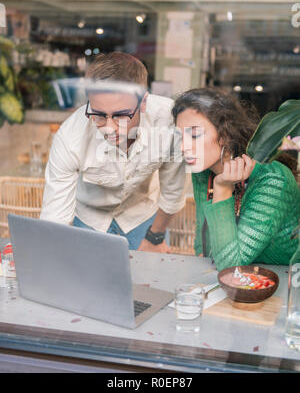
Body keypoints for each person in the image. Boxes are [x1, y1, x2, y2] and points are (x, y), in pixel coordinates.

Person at [40, 52, 190, 252]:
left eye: (120, 115)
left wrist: (156, 237)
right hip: (88, 219)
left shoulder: (170, 122)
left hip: (144, 217)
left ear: (143, 102)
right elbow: (55, 218)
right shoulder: (70, 136)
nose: (109, 128)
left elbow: (173, 193)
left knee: (152, 279)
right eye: (99, 115)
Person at [172, 87, 300, 271]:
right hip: (234, 285)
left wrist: (222, 189)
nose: (183, 146)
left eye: (194, 135)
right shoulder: (203, 171)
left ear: (225, 134)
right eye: (179, 136)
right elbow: (204, 248)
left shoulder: (273, 179)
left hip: (282, 285)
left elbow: (229, 265)